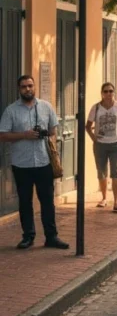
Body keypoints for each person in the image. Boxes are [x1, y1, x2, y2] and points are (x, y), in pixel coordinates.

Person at [0, 75, 68, 249]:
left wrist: (45, 135)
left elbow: (53, 130)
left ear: (34, 86)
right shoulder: (11, 110)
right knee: (25, 201)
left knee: (47, 201)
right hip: (22, 164)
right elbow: (3, 135)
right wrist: (24, 135)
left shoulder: (46, 107)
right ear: (19, 89)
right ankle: (28, 236)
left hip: (44, 161)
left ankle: (51, 237)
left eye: (30, 86)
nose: (27, 89)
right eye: (23, 87)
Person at [86, 82, 117, 211]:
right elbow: (88, 126)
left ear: (114, 92)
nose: (108, 93)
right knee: (102, 172)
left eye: (111, 91)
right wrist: (94, 138)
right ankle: (104, 198)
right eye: (106, 91)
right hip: (100, 145)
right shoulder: (96, 108)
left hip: (116, 143)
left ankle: (116, 202)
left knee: (116, 172)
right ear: (102, 93)